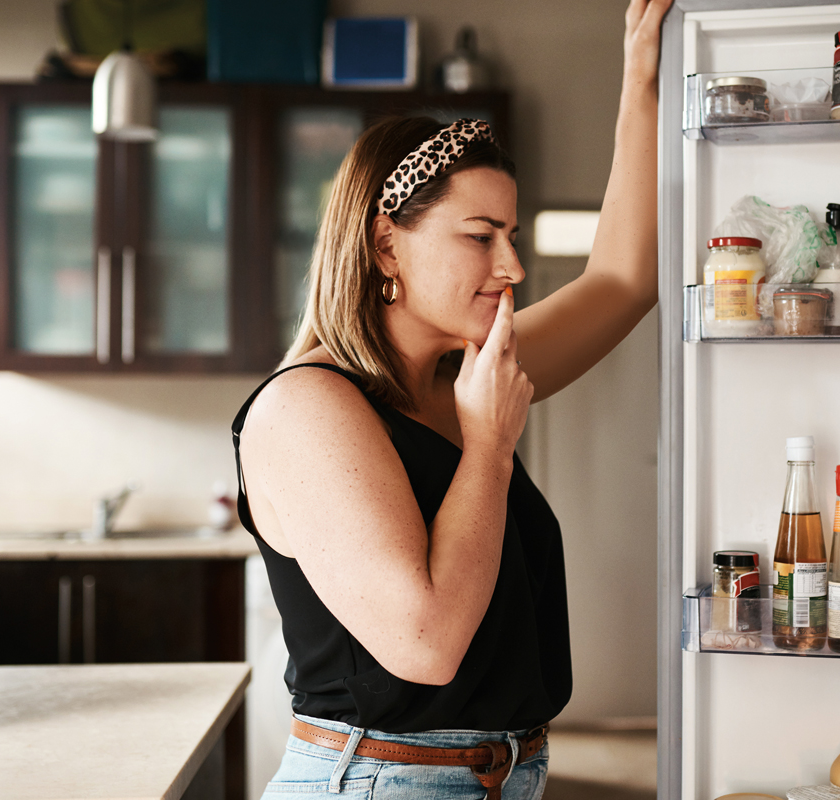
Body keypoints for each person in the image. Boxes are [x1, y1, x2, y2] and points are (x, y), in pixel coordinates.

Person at [231, 1, 670, 797]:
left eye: (513, 237)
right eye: (480, 235)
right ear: (384, 245)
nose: (512, 267)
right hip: (380, 782)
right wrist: (490, 446)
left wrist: (641, 80)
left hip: (497, 776)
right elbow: (426, 644)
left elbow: (622, 282)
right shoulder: (308, 409)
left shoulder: (459, 380)